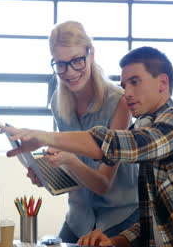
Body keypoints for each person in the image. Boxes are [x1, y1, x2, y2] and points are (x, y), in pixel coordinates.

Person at [0, 46, 173, 246]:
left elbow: (116, 144)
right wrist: (114, 242)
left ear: (163, 83)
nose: (127, 93)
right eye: (124, 85)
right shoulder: (147, 132)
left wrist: (41, 136)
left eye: (135, 82)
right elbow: (152, 220)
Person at [25, 21, 139, 243]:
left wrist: (69, 160)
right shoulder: (58, 104)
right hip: (78, 217)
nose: (69, 72)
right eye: (60, 64)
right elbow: (72, 174)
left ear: (91, 53)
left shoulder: (119, 102)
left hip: (119, 217)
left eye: (77, 61)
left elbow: (103, 184)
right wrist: (47, 175)